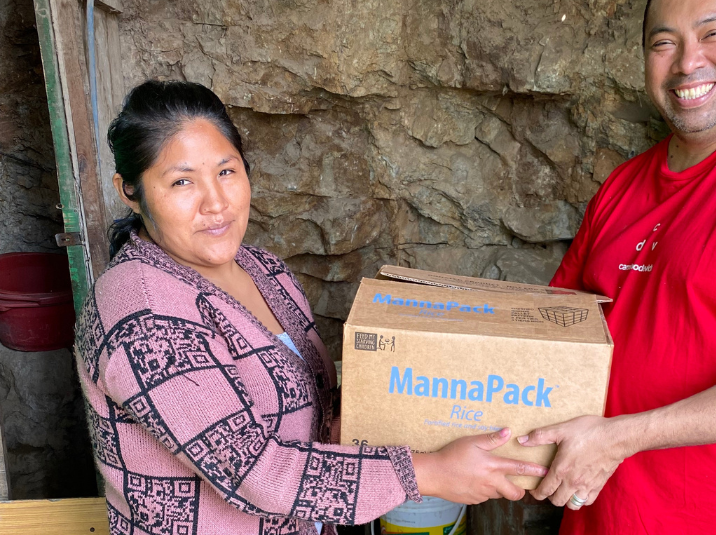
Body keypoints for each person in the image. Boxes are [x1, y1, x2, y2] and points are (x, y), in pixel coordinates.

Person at [74, 80, 546, 535]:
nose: (215, 202)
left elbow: (306, 407)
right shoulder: (140, 311)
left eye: (226, 171)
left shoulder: (264, 269)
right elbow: (254, 471)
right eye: (181, 182)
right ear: (130, 191)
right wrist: (427, 472)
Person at [517, 0, 716, 534]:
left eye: (713, 33)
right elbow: (556, 332)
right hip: (610, 515)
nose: (687, 62)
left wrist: (623, 436)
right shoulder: (623, 186)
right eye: (663, 42)